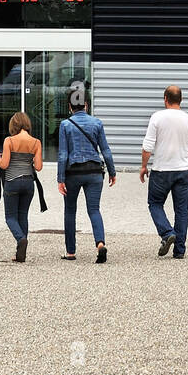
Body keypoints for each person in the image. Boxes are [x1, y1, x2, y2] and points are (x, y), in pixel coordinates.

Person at [140, 85, 188, 259]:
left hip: (161, 171)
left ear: (165, 99)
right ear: (181, 100)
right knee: (181, 210)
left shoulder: (157, 117)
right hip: (183, 171)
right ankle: (179, 250)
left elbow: (147, 146)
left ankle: (167, 233)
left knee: (154, 203)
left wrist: (144, 166)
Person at [57, 99, 117, 263]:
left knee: (70, 211)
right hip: (94, 173)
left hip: (72, 174)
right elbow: (105, 150)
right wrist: (112, 172)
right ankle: (100, 243)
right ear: (86, 105)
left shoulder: (65, 125)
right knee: (94, 210)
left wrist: (60, 178)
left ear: (69, 107)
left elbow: (63, 154)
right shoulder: (97, 123)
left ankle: (70, 251)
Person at [0, 112, 44, 263]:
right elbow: (39, 167)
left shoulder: (9, 140)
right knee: (23, 216)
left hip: (12, 182)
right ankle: (20, 254)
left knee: (10, 217)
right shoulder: (36, 142)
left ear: (13, 125)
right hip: (29, 183)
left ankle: (21, 239)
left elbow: (4, 164)